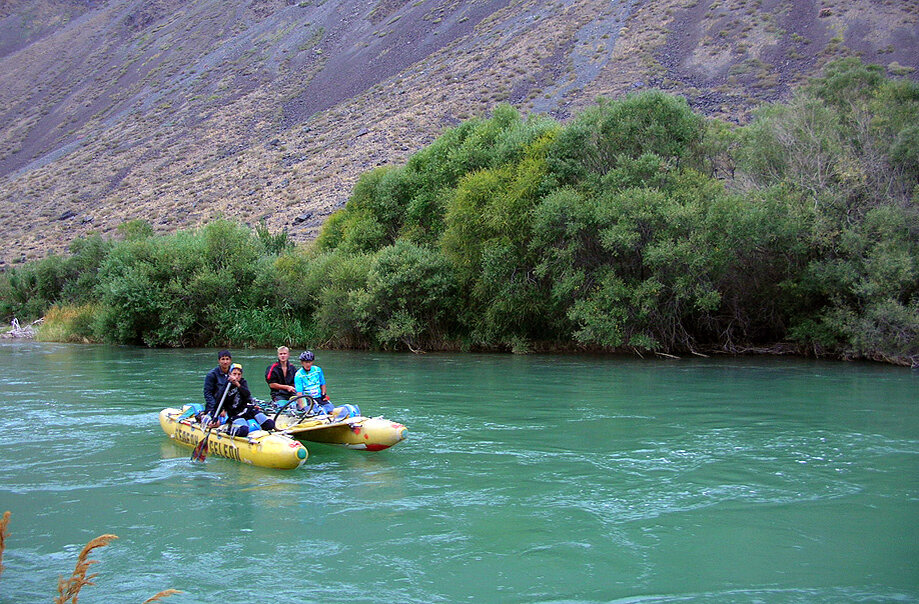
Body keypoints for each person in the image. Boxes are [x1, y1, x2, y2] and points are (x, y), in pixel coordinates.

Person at [202, 363, 275, 436]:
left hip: (246, 410)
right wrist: (214, 418)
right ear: (230, 374)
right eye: (234, 374)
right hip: (235, 414)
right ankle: (229, 429)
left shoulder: (243, 383)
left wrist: (238, 384)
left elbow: (247, 395)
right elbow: (218, 403)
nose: (236, 377)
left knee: (270, 424)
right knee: (243, 430)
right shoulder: (225, 386)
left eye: (239, 374)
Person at [294, 350, 334, 414]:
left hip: (319, 397)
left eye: (310, 362)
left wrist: (324, 395)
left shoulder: (317, 370)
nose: (308, 364)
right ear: (302, 363)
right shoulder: (298, 375)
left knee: (332, 411)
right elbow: (299, 393)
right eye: (306, 362)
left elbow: (323, 384)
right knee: (316, 413)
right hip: (307, 399)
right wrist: (302, 407)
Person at [203, 349, 234, 414]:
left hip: (230, 406)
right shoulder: (212, 375)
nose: (225, 362)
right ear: (219, 361)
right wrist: (218, 409)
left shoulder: (235, 373)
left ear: (230, 360)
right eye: (223, 359)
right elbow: (208, 394)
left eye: (227, 359)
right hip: (215, 407)